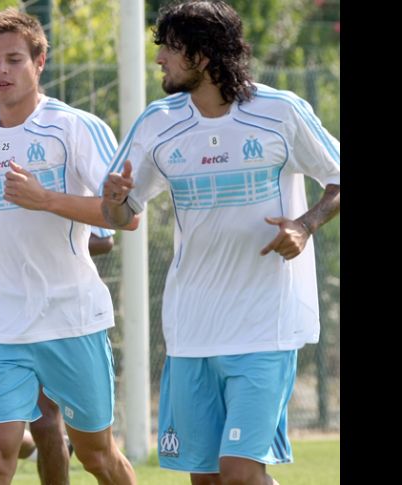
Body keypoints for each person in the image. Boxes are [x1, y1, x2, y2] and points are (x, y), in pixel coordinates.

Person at [101, 1, 340, 484]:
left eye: (169, 48)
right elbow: (122, 215)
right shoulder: (157, 123)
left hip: (264, 326)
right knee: (206, 477)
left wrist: (305, 224)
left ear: (203, 55)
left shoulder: (280, 112)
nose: (159, 60)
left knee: (238, 472)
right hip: (191, 330)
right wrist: (114, 201)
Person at [0, 8, 137, 484]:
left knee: (97, 455)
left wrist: (45, 199)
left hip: (69, 319)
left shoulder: (75, 128)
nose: (0, 72)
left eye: (13, 60)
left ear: (39, 61)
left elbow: (124, 217)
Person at [0, 168, 113, 484]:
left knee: (54, 429)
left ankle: (53, 450)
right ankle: (43, 448)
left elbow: (106, 239)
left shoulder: (60, 144)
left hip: (56, 318)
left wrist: (35, 236)